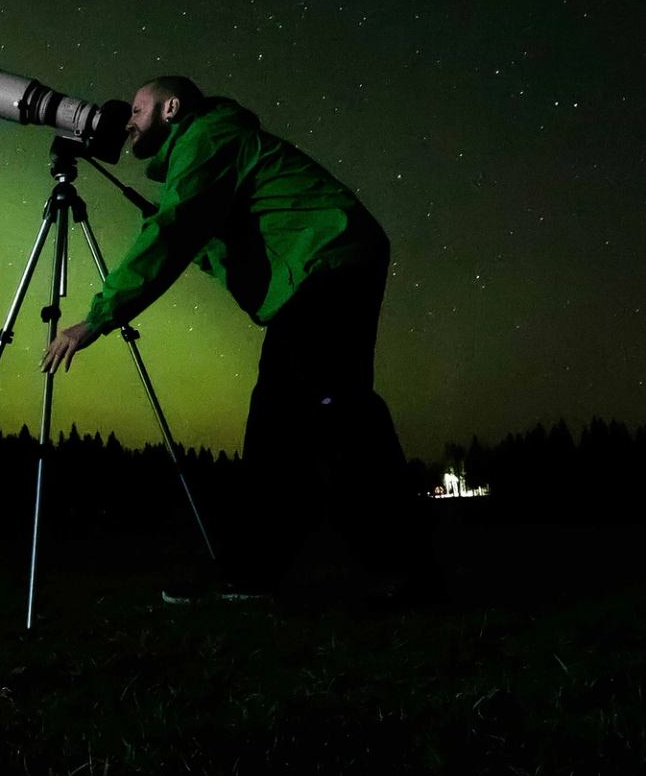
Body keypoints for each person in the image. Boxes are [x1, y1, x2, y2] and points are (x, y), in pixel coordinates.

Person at [40, 75, 431, 604]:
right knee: (282, 427)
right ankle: (255, 575)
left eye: (138, 107)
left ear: (173, 108)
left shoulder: (207, 138)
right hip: (320, 270)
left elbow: (174, 232)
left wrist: (97, 318)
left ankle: (398, 570)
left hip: (327, 263)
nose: (127, 118)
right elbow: (203, 236)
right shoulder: (206, 149)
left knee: (336, 413)